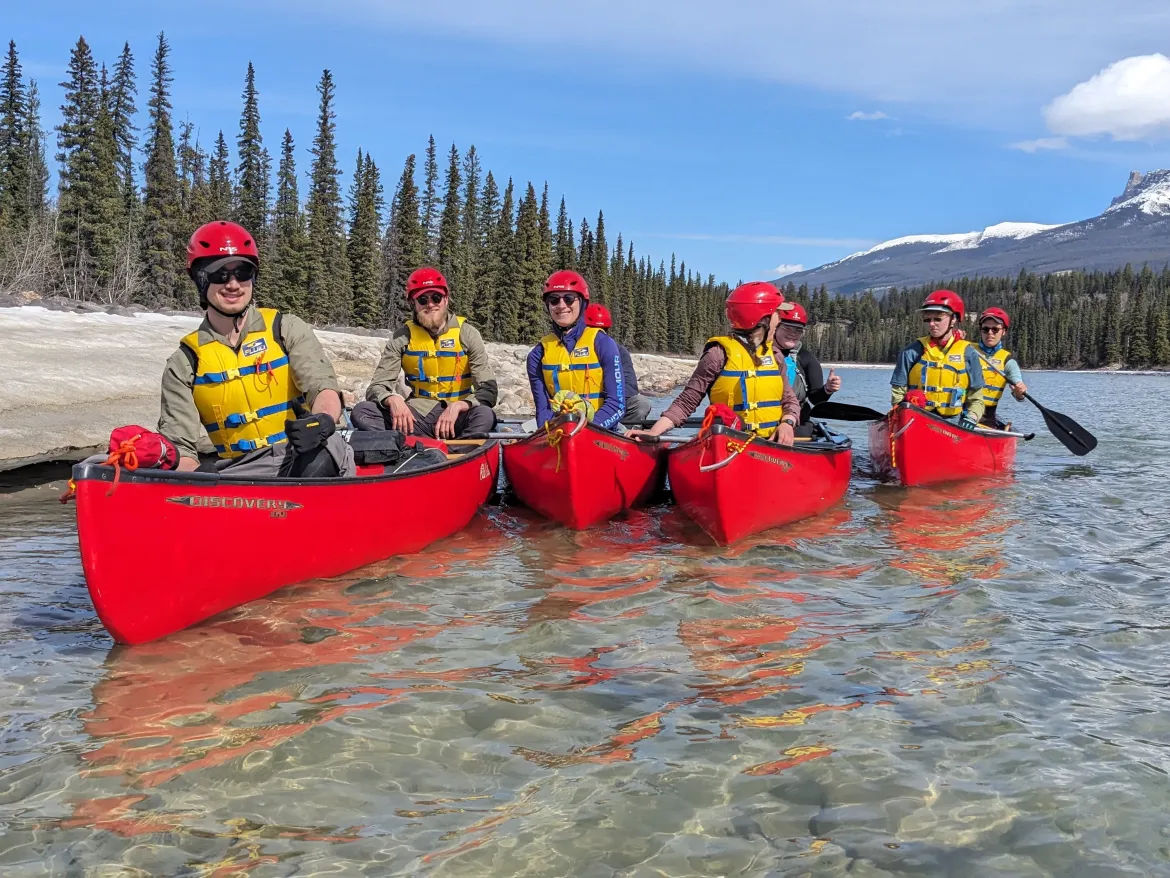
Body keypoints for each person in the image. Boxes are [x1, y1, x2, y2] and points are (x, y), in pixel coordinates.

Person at [158, 220, 355, 477]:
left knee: (319, 458)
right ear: (200, 279)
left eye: (242, 272)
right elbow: (181, 448)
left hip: (303, 453)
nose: (233, 284)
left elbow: (323, 387)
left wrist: (322, 421)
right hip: (241, 471)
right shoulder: (185, 362)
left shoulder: (286, 329)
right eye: (220, 274)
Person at [628, 282, 800, 446]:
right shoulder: (718, 354)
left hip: (769, 445)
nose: (780, 321)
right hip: (729, 443)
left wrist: (787, 423)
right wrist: (654, 432)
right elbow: (687, 400)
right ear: (763, 319)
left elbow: (790, 401)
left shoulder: (775, 356)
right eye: (777, 314)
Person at [352, 267, 498, 439]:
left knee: (485, 415)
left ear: (446, 300)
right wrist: (392, 399)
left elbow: (488, 390)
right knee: (362, 412)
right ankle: (404, 449)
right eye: (422, 299)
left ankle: (460, 452)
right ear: (412, 303)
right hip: (417, 416)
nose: (430, 304)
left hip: (458, 415)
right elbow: (377, 386)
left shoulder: (467, 333)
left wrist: (461, 405)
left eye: (436, 298)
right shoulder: (402, 337)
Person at [526, 270, 626, 430]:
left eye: (569, 298)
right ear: (548, 305)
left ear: (582, 302)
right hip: (559, 431)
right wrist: (549, 432)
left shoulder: (603, 343)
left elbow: (617, 404)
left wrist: (587, 430)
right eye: (553, 300)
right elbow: (543, 409)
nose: (561, 305)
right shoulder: (537, 354)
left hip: (600, 430)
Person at [890, 289, 986, 428]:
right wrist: (900, 411)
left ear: (954, 319)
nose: (931, 324)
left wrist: (972, 417)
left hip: (953, 423)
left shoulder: (968, 353)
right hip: (916, 419)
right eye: (927, 319)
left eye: (938, 319)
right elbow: (898, 393)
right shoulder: (911, 352)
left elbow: (976, 398)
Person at [771, 300, 842, 436]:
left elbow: (816, 400)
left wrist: (827, 389)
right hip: (763, 418)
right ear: (775, 327)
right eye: (787, 328)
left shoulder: (807, 359)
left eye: (798, 330)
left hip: (797, 420)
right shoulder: (759, 354)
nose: (793, 333)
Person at [583, 303, 653, 426]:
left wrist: (608, 404)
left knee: (640, 403)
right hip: (582, 407)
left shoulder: (619, 351)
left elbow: (630, 389)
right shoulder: (570, 351)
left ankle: (628, 434)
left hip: (613, 407)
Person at [975, 307, 1028, 427]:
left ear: (1003, 331)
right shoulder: (967, 349)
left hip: (985, 419)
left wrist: (1020, 392)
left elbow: (1019, 395)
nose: (990, 333)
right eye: (985, 329)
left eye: (995, 329)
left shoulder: (1008, 361)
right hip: (959, 413)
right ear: (981, 330)